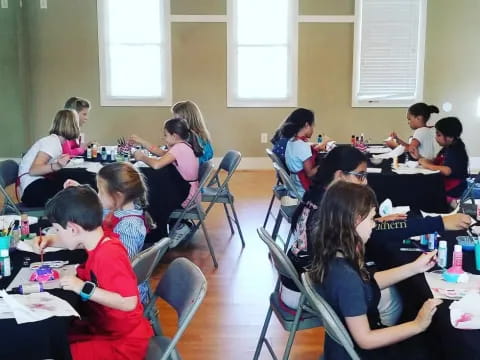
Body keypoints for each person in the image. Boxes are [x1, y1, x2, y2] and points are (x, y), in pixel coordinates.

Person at [281, 146, 471, 324]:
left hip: (296, 282)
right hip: (306, 292)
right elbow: (382, 234)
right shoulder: (328, 210)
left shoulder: (316, 198)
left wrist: (376, 221)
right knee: (393, 296)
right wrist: (440, 222)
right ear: (339, 176)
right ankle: (385, 341)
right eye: (360, 176)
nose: (365, 182)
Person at [309, 181, 442, 360]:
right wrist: (417, 324)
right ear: (356, 219)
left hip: (341, 349)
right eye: (372, 218)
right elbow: (366, 339)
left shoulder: (333, 255)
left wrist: (414, 267)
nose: (374, 224)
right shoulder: (346, 279)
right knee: (432, 347)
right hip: (361, 352)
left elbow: (368, 283)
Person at [33, 186, 153, 360]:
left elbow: (128, 302)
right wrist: (50, 240)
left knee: (58, 351)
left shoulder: (109, 255)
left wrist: (82, 287)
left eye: (57, 230)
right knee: (55, 340)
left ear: (74, 229)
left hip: (123, 343)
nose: (57, 234)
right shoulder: (98, 237)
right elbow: (76, 241)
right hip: (104, 328)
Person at [64, 162, 153, 304]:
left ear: (117, 196)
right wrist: (81, 190)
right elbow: (101, 207)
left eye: (100, 191)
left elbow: (120, 268)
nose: (98, 195)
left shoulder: (128, 227)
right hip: (114, 285)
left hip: (121, 295)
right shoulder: (121, 207)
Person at [133, 118, 202, 246]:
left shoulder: (180, 148)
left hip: (186, 194)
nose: (164, 138)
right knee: (152, 182)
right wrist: (140, 141)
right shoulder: (184, 145)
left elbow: (157, 165)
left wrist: (142, 157)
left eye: (166, 135)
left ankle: (155, 235)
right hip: (187, 189)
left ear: (174, 136)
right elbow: (160, 152)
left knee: (152, 191)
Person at [18, 109, 77, 207]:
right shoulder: (52, 143)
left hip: (32, 186)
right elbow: (33, 170)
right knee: (75, 194)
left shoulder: (54, 141)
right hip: (32, 190)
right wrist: (56, 165)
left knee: (71, 185)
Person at [129, 100, 212, 164]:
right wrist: (141, 141)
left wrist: (143, 157)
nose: (174, 121)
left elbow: (161, 160)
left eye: (176, 118)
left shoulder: (189, 139)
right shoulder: (196, 135)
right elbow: (165, 154)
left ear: (186, 119)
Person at [418, 117, 469, 203]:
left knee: (422, 191)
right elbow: (437, 162)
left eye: (439, 135)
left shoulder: (455, 150)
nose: (436, 138)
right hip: (447, 183)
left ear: (449, 137)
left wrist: (427, 165)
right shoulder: (448, 147)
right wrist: (420, 158)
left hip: (454, 187)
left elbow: (447, 170)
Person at [283, 108, 319, 196]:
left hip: (294, 186)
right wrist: (325, 163)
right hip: (303, 190)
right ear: (307, 125)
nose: (313, 129)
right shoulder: (303, 146)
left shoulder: (291, 141)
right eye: (312, 126)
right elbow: (310, 174)